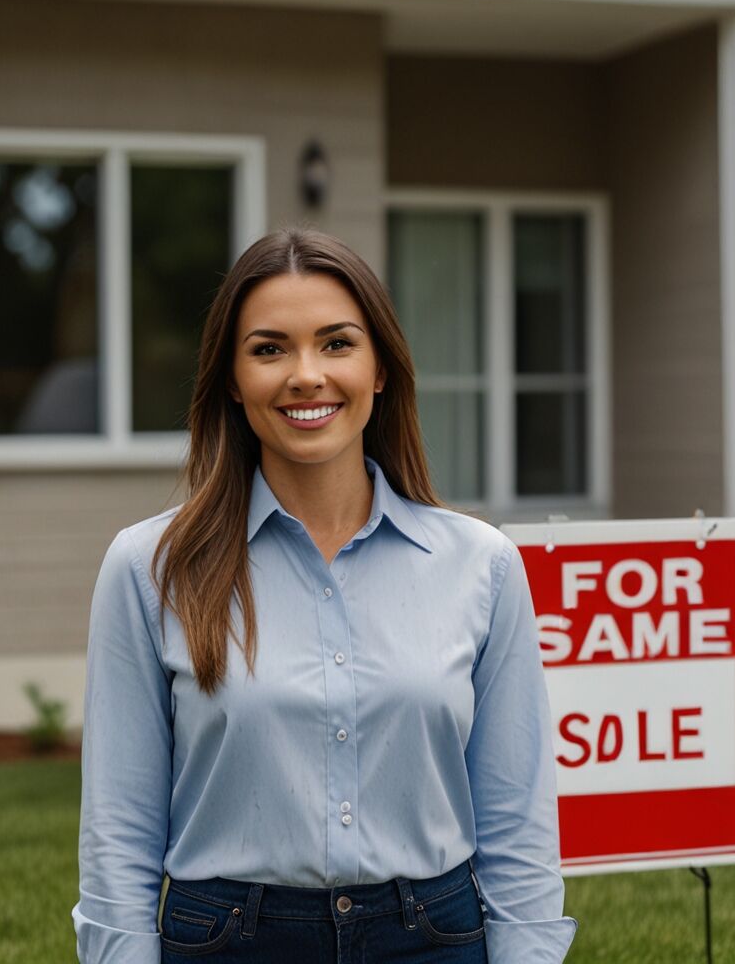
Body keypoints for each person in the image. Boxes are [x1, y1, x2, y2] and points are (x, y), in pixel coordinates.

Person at [71, 227, 578, 963]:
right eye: (269, 349)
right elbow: (117, 832)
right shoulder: (150, 569)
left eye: (337, 343)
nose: (306, 375)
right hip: (226, 941)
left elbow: (517, 824)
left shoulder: (483, 567)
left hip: (432, 937)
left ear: (379, 370)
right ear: (232, 379)